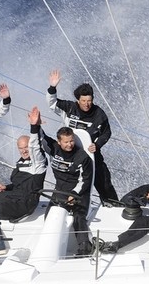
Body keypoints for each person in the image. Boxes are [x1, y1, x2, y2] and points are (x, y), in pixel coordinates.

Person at [0, 107, 48, 237]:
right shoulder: (21, 163)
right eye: (20, 148)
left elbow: (35, 147)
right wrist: (6, 187)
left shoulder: (38, 163)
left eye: (26, 148)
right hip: (15, 196)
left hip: (24, 204)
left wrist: (34, 127)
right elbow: (18, 185)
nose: (24, 151)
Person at [46, 69, 121, 206]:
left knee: (104, 181)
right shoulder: (69, 108)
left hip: (91, 153)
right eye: (84, 101)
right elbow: (52, 104)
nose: (87, 104)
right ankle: (65, 204)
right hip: (71, 153)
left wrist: (97, 145)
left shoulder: (99, 114)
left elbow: (106, 133)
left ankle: (114, 205)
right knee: (71, 181)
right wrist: (52, 87)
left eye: (89, 100)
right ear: (77, 100)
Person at [34, 109, 95, 256]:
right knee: (49, 216)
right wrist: (35, 124)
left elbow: (85, 180)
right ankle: (51, 249)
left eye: (72, 140)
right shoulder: (53, 149)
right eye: (66, 142)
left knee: (79, 217)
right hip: (60, 190)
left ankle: (85, 247)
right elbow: (41, 137)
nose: (70, 144)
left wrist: (74, 194)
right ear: (59, 142)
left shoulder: (82, 157)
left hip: (78, 192)